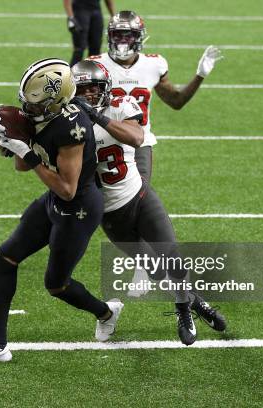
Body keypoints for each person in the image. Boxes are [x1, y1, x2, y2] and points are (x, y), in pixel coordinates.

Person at [0, 58, 123, 362]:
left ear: (55, 101)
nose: (29, 110)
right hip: (54, 200)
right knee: (5, 256)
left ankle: (106, 312)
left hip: (79, 208)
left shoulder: (73, 127)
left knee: (56, 285)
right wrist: (9, 140)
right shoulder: (42, 111)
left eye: (35, 105)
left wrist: (28, 153)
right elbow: (21, 166)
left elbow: (68, 190)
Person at [71, 60, 226, 345]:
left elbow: (137, 136)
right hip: (109, 214)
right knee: (155, 270)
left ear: (105, 88)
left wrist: (97, 117)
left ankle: (184, 310)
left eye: (94, 90)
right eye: (82, 91)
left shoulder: (121, 104)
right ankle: (198, 302)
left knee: (173, 259)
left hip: (140, 198)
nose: (88, 96)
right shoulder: (68, 122)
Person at [90, 10, 223, 184]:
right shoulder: (95, 65)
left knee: (138, 197)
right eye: (117, 35)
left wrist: (200, 75)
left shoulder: (153, 64)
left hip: (139, 143)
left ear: (139, 37)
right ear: (109, 36)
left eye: (128, 36)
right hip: (104, 140)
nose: (122, 41)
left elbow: (176, 101)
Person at [64, 0, 116, 66]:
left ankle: (92, 74)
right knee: (79, 48)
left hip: (96, 10)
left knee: (96, 47)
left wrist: (113, 16)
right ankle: (71, 74)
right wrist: (70, 17)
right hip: (80, 11)